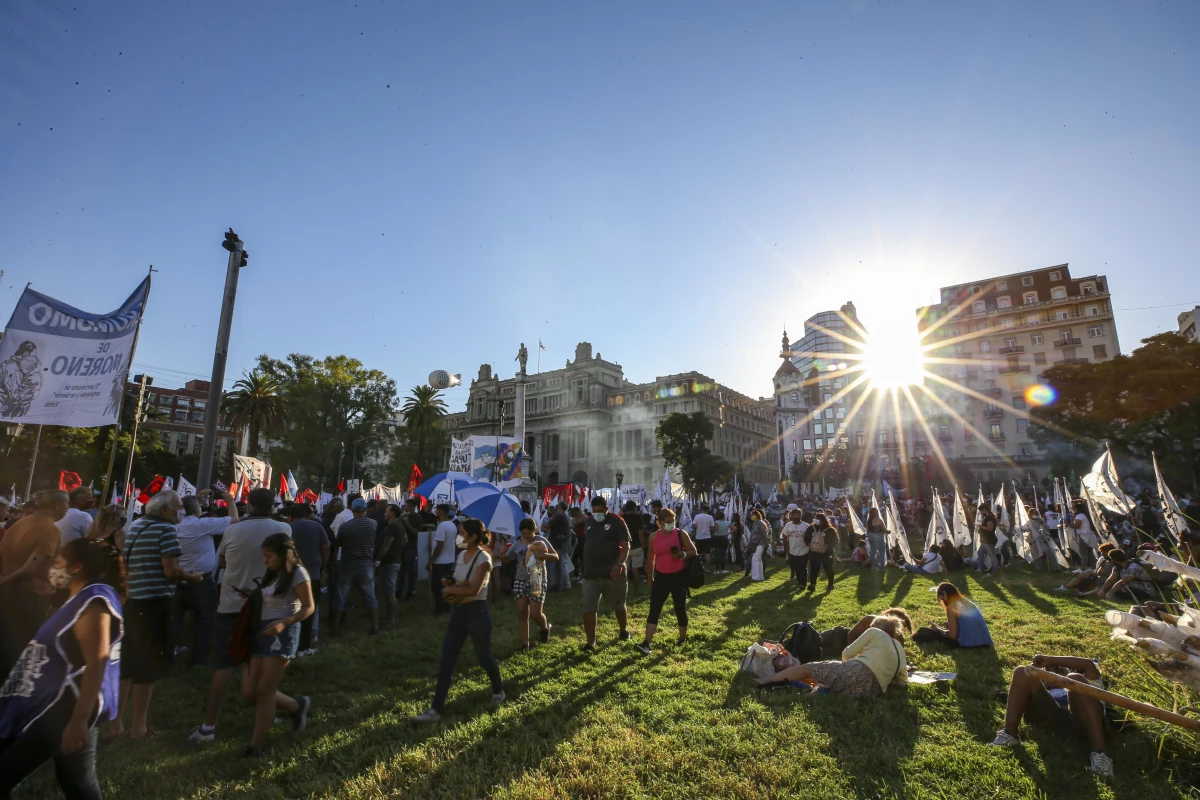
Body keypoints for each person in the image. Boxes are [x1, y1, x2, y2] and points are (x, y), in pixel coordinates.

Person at [0, 538, 124, 798]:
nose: (53, 567)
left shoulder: (93, 602)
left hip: (60, 711)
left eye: (59, 561)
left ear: (76, 567)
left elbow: (97, 660)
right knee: (78, 781)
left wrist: (78, 721)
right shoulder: (79, 598)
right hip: (63, 705)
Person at [186, 488, 290, 745]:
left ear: (250, 506)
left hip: (234, 605)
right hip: (268, 607)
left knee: (225, 665)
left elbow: (221, 560)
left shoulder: (234, 529)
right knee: (261, 664)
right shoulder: (284, 529)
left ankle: (208, 727)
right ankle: (268, 714)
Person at [109, 490, 203, 741]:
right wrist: (191, 577)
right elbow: (170, 570)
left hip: (131, 602)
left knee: (126, 664)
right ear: (164, 511)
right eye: (179, 506)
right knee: (147, 665)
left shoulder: (136, 526)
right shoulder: (166, 531)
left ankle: (115, 723)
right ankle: (139, 728)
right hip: (153, 604)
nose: (181, 511)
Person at [412, 519, 504, 722]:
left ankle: (498, 690)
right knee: (447, 660)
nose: (459, 536)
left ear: (472, 537)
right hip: (459, 613)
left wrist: (449, 589)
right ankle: (435, 710)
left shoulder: (484, 560)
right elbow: (461, 581)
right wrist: (450, 582)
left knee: (484, 657)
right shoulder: (462, 555)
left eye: (462, 532)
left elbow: (474, 590)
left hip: (477, 614)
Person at [239, 533, 313, 757]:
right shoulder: (272, 573)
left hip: (283, 633)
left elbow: (309, 607)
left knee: (264, 692)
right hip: (261, 631)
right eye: (264, 556)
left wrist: (285, 622)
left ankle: (255, 747)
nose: (265, 560)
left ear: (283, 555)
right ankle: (296, 706)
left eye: (269, 556)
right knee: (249, 693)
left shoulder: (298, 573)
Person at [990, 654, 1114, 778]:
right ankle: (1009, 734)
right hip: (1053, 720)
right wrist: (1043, 681)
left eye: (1059, 670)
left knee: (1074, 679)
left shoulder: (1089, 682)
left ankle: (1100, 753)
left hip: (1085, 723)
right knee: (1022, 671)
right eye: (1048, 673)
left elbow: (1088, 665)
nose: (1054, 675)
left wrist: (1051, 660)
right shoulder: (1045, 690)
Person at [0, 489, 69, 677]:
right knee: (22, 648)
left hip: (9, 593)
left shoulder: (20, 523)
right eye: (67, 504)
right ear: (57, 505)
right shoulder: (48, 528)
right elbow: (37, 565)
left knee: (7, 644)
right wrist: (65, 580)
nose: (67, 509)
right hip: (30, 594)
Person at [760, 616, 908, 698]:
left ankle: (764, 681)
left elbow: (846, 654)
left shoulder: (874, 633)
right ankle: (819, 692)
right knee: (834, 684)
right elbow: (902, 681)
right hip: (871, 692)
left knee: (807, 668)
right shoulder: (900, 650)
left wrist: (850, 664)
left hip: (856, 671)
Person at [171, 492, 238, 668]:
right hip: (201, 581)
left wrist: (194, 497)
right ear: (197, 509)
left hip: (176, 578)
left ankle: (166, 656)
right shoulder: (202, 525)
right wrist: (230, 501)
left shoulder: (173, 526)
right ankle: (198, 660)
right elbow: (234, 521)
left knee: (174, 620)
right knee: (205, 620)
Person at [635, 508, 697, 655]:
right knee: (654, 610)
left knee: (679, 608)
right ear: (660, 522)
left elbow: (693, 551)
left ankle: (682, 638)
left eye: (672, 521)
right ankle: (646, 643)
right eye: (668, 522)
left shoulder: (680, 534)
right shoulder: (653, 537)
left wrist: (682, 554)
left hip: (679, 576)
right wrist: (650, 577)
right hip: (661, 577)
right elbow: (650, 559)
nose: (671, 524)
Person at [580, 496, 632, 651]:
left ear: (606, 508)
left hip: (613, 574)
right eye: (594, 510)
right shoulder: (589, 522)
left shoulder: (617, 521)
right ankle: (591, 642)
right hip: (590, 574)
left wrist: (619, 564)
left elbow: (626, 545)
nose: (597, 513)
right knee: (589, 609)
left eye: (600, 510)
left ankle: (623, 630)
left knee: (619, 605)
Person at [503, 518, 558, 649]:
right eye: (524, 533)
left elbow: (556, 557)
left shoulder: (541, 541)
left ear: (535, 530)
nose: (526, 536)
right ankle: (525, 644)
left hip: (536, 579)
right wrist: (502, 553)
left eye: (529, 533)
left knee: (535, 614)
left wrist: (543, 555)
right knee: (521, 611)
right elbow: (506, 560)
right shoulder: (517, 544)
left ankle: (544, 627)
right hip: (520, 579)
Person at [331, 498, 379, 637]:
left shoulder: (346, 527)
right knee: (371, 597)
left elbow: (338, 543)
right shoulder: (373, 524)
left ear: (352, 510)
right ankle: (375, 628)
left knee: (340, 597)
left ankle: (334, 630)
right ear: (365, 509)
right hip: (366, 564)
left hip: (348, 565)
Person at [287, 503, 329, 656]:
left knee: (290, 608)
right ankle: (304, 647)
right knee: (309, 609)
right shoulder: (316, 526)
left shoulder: (287, 528)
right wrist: (323, 565)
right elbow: (326, 547)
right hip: (313, 574)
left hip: (291, 574)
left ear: (290, 516)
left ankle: (289, 646)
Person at [914, 583, 993, 647]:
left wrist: (938, 629)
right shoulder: (968, 602)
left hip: (968, 644)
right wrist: (951, 625)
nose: (943, 601)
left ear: (945, 594)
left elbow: (952, 637)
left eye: (942, 598)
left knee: (922, 631)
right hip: (985, 643)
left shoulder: (951, 607)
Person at [374, 504, 406, 627]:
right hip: (394, 560)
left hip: (389, 562)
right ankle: (387, 615)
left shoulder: (392, 526)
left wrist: (378, 560)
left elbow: (386, 545)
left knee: (389, 591)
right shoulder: (399, 525)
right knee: (385, 588)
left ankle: (391, 619)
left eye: (386, 511)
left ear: (392, 513)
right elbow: (405, 540)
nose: (384, 513)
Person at [428, 504, 458, 615]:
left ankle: (438, 609)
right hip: (449, 559)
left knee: (437, 587)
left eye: (436, 510)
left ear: (441, 511)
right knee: (447, 584)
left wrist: (431, 560)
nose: (435, 512)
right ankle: (447, 606)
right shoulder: (452, 525)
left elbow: (440, 545)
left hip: (440, 561)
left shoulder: (442, 526)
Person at [396, 498, 423, 601]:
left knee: (410, 571)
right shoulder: (402, 517)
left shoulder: (417, 518)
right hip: (401, 546)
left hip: (410, 546)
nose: (407, 508)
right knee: (400, 571)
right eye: (406, 506)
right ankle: (398, 591)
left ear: (413, 507)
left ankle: (410, 591)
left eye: (409, 506)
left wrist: (407, 523)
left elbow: (417, 533)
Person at [805, 513, 836, 593]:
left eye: (818, 519)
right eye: (815, 518)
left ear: (823, 520)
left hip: (826, 553)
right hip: (814, 552)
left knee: (828, 568)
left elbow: (835, 540)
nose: (816, 520)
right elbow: (806, 538)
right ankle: (812, 584)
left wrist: (828, 546)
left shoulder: (830, 529)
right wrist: (809, 544)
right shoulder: (810, 528)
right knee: (814, 569)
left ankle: (830, 584)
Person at [546, 503, 573, 591]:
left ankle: (549, 585)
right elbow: (570, 530)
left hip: (556, 544)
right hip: (561, 545)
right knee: (561, 565)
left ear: (560, 507)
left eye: (557, 506)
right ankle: (561, 585)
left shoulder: (559, 517)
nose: (556, 507)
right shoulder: (566, 517)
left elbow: (547, 526)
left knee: (551, 565)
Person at [621, 501, 645, 596]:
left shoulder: (622, 518)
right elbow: (641, 533)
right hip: (637, 546)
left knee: (624, 570)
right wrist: (643, 546)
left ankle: (623, 592)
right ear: (634, 508)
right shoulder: (638, 518)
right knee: (635, 570)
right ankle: (636, 591)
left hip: (625, 547)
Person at [780, 510, 810, 585]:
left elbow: (810, 537)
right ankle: (799, 581)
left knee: (803, 567)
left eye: (798, 515)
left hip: (804, 549)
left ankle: (803, 584)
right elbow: (785, 537)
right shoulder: (788, 525)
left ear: (801, 516)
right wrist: (787, 550)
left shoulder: (806, 526)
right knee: (796, 568)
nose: (796, 516)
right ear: (791, 516)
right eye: (794, 515)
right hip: (792, 550)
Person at [975, 506, 1000, 576]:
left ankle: (995, 570)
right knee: (980, 552)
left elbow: (990, 528)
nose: (981, 513)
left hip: (989, 540)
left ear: (984, 510)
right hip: (986, 540)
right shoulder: (989, 517)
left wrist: (980, 526)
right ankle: (980, 568)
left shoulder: (990, 518)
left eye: (981, 511)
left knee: (992, 555)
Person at [747, 509, 771, 582]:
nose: (751, 516)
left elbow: (764, 534)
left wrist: (766, 543)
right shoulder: (755, 523)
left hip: (760, 543)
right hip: (756, 543)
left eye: (752, 515)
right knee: (758, 560)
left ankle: (756, 577)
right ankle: (760, 577)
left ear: (757, 515)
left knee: (755, 559)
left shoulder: (760, 523)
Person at [690, 504, 714, 570]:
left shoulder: (697, 516)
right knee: (707, 553)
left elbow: (693, 526)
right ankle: (707, 568)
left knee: (698, 553)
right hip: (707, 537)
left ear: (701, 509)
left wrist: (697, 527)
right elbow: (712, 528)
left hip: (698, 537)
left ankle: (698, 567)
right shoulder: (710, 517)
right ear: (708, 510)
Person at [866, 507, 889, 571]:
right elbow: (885, 530)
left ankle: (873, 567)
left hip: (871, 536)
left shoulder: (868, 521)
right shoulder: (879, 520)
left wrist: (868, 537)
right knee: (882, 553)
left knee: (872, 553)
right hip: (879, 537)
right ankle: (882, 568)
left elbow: (867, 531)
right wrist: (890, 531)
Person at [711, 509, 731, 575]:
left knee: (717, 554)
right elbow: (734, 528)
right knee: (723, 554)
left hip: (717, 538)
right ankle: (723, 569)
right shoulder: (727, 522)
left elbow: (714, 529)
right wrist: (728, 533)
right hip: (725, 538)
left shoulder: (716, 522)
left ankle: (717, 569)